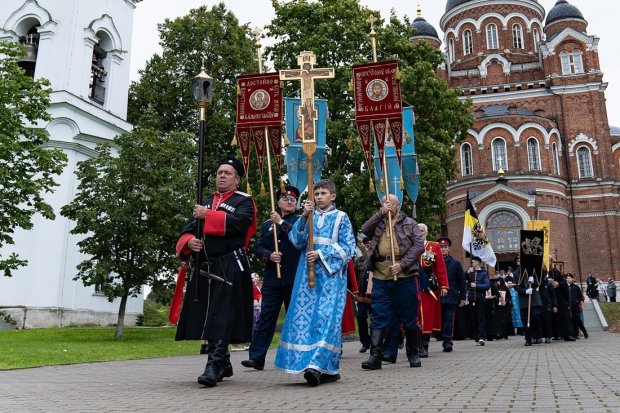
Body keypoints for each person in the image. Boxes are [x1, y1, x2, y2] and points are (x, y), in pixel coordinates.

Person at [175, 157, 257, 388]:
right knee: (209, 316)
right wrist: (189, 242)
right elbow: (187, 230)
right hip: (204, 267)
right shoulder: (205, 202)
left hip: (229, 265)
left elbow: (240, 224)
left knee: (221, 316)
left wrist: (208, 216)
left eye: (227, 173)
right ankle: (223, 361)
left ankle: (213, 365)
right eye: (219, 172)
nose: (222, 175)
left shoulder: (244, 201)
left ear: (237, 179)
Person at [274, 179, 356, 386]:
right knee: (307, 319)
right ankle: (323, 368)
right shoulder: (309, 216)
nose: (319, 197)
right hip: (306, 277)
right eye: (316, 194)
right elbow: (297, 241)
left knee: (326, 319)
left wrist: (321, 253)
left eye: (323, 193)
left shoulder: (341, 217)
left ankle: (316, 366)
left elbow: (348, 248)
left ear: (333, 196)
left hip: (331, 278)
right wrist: (303, 216)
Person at [359, 194, 425, 370]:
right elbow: (364, 229)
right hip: (381, 276)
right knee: (378, 317)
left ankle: (413, 354)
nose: (388, 205)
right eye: (385, 202)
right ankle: (376, 356)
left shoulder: (409, 223)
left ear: (398, 205)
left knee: (409, 317)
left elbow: (419, 246)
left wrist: (402, 264)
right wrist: (381, 213)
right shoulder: (378, 220)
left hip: (404, 277)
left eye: (391, 203)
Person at [241, 186, 301, 371]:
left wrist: (281, 221)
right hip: (273, 279)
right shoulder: (268, 225)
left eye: (292, 199)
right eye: (285, 198)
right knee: (266, 318)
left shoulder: (300, 221)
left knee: (296, 318)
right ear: (279, 202)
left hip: (293, 278)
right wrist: (269, 255)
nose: (289, 201)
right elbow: (258, 248)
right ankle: (256, 357)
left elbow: (298, 238)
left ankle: (297, 356)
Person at [416, 224, 448, 358]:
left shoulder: (433, 246)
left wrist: (444, 285)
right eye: (417, 230)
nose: (420, 232)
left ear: (427, 232)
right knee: (414, 315)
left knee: (427, 315)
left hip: (428, 285)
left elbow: (440, 267)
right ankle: (414, 345)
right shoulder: (409, 245)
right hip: (412, 283)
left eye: (422, 230)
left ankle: (424, 346)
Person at [437, 237, 466, 352]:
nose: (443, 249)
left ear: (448, 249)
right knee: (438, 320)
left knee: (449, 319)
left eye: (445, 247)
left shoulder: (455, 263)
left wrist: (463, 297)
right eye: (441, 247)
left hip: (451, 295)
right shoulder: (433, 262)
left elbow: (461, 281)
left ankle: (447, 341)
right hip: (437, 295)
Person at [514, 257, 543, 346]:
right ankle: (528, 339)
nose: (520, 262)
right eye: (518, 261)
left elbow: (538, 282)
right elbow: (516, 286)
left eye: (521, 260)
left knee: (535, 316)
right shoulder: (516, 273)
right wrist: (524, 291)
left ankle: (538, 336)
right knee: (525, 319)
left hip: (533, 297)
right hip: (524, 298)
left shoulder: (532, 271)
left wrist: (534, 281)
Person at [354, 237, 373, 353]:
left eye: (370, 245)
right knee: (361, 317)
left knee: (375, 319)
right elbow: (355, 277)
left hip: (374, 295)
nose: (368, 248)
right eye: (366, 246)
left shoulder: (377, 259)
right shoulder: (359, 261)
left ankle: (376, 342)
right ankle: (365, 342)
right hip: (361, 295)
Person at [467, 256, 490, 345]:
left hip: (480, 299)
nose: (472, 264)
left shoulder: (483, 273)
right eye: (472, 262)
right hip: (471, 298)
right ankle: (476, 338)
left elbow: (487, 285)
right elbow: (462, 278)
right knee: (473, 319)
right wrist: (467, 272)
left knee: (480, 318)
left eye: (474, 262)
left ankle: (481, 337)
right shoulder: (470, 272)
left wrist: (477, 286)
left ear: (479, 263)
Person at [566, 274, 588, 339]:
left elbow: (580, 297)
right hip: (568, 307)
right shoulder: (565, 287)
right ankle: (575, 334)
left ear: (572, 279)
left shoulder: (576, 287)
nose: (568, 279)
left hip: (575, 306)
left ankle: (584, 331)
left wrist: (576, 301)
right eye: (567, 278)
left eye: (569, 278)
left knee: (577, 320)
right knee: (571, 320)